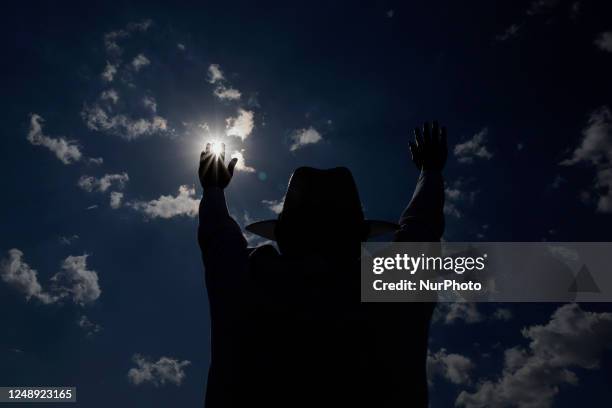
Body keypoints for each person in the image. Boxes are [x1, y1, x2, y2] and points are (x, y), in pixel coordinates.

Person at [198, 121, 447, 407]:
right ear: (357, 237)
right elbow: (421, 229)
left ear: (283, 235)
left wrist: (213, 189)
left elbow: (217, 238)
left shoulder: (249, 279)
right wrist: (430, 171)